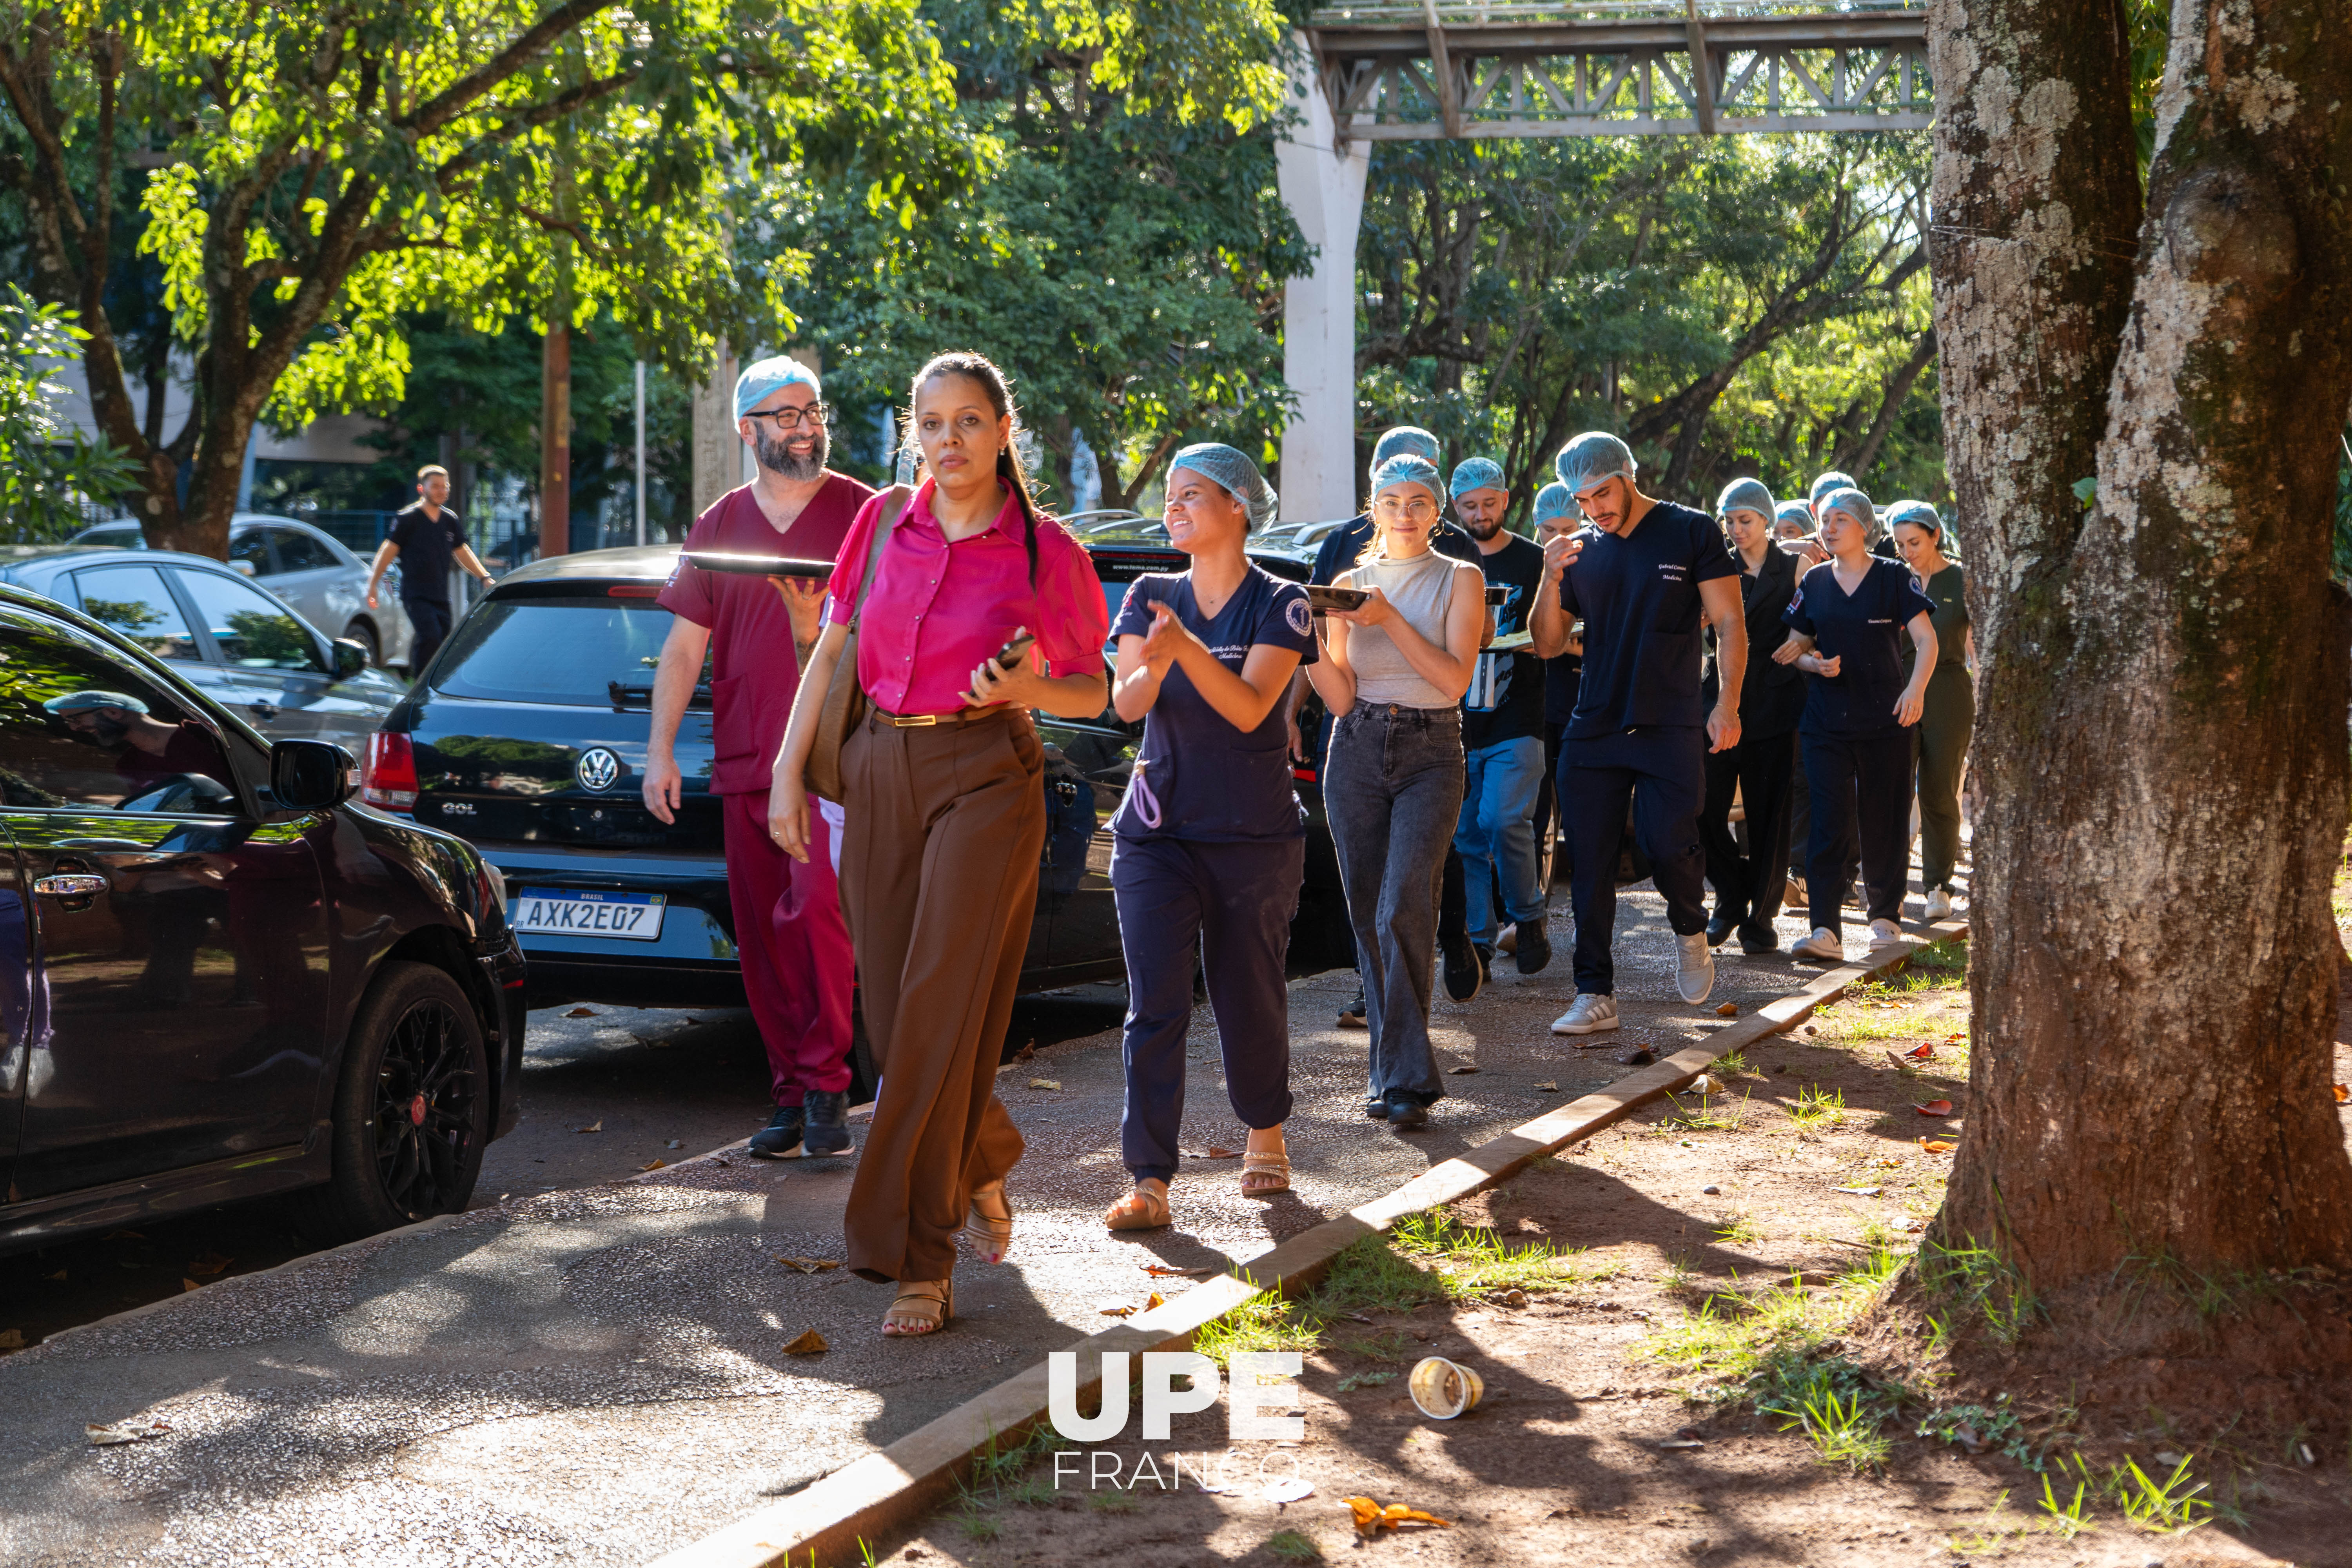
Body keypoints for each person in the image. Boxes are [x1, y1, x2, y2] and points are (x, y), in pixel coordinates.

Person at [768, 351, 1109, 1338]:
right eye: (930, 423)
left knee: (934, 1011)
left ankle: (916, 1255)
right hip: (877, 764)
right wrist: (790, 771)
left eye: (967, 422)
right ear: (911, 433)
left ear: (1004, 431)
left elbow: (1094, 692)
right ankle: (982, 1147)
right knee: (890, 1010)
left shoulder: (1051, 555)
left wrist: (1025, 691)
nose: (946, 441)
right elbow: (831, 650)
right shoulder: (880, 523)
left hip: (987, 778)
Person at [646, 356, 869, 1161]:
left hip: (833, 763)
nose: (806, 426)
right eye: (785, 415)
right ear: (748, 430)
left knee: (816, 915)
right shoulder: (718, 525)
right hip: (744, 758)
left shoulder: (864, 514)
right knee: (763, 937)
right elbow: (682, 651)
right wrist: (661, 750)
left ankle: (826, 1080)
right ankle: (790, 1092)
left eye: (812, 411)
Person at [1098, 445, 1315, 1232]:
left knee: (1245, 993)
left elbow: (1255, 706)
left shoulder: (1281, 602)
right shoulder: (1150, 594)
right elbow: (1127, 704)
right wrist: (1152, 667)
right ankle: (1149, 1177)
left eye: (1192, 494)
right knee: (1154, 1004)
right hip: (1157, 833)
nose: (1174, 508)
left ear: (1238, 508)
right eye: (1169, 496)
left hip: (1253, 837)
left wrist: (1185, 647)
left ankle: (1265, 1125)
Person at [1528, 433, 1746, 1035]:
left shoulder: (1691, 530)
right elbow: (1548, 643)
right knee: (1590, 863)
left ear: (1629, 475)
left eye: (1603, 492)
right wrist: (1549, 578)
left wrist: (1726, 704)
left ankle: (1689, 925)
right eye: (1583, 499)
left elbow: (1729, 622)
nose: (1595, 508)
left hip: (1670, 720)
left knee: (1666, 843)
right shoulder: (1578, 552)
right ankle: (1594, 992)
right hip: (1594, 725)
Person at [1306, 453, 1485, 1127]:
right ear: (1371, 509)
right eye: (1390, 502)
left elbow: (1453, 681)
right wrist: (1311, 646)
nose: (1404, 514)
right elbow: (1341, 693)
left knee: (1405, 903)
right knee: (1367, 915)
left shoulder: (1460, 578)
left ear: (1437, 512)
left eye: (1417, 502)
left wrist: (1388, 621)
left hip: (1431, 749)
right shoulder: (1349, 583)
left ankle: (1406, 1076)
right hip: (1354, 746)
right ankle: (1393, 1075)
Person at [1774, 487, 1938, 962]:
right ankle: (1824, 928)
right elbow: (1797, 645)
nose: (1829, 528)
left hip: (1887, 718)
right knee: (1830, 822)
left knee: (1883, 819)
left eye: (1840, 520)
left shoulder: (1893, 576)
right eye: (1825, 520)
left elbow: (1926, 641)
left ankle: (1885, 919)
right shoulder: (1817, 582)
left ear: (1865, 526)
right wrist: (1812, 664)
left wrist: (1915, 690)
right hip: (1826, 722)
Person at [1443, 457, 1551, 987]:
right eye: (1469, 506)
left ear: (1505, 501)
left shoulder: (1533, 561)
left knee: (1504, 821)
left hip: (1518, 717)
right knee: (1464, 835)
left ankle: (1527, 917)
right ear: (1454, 506)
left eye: (1489, 503)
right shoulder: (1443, 559)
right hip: (1456, 724)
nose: (1480, 514)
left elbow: (1558, 630)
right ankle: (1478, 940)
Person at [1696, 479, 1806, 955]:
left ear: (1767, 519)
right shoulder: (1717, 566)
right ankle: (1730, 894)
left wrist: (1805, 641)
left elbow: (1816, 621)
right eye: (1730, 521)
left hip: (1777, 701)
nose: (1737, 529)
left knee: (1769, 816)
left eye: (1746, 520)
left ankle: (1760, 920)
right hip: (1721, 699)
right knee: (1701, 807)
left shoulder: (1794, 566)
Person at [1888, 500, 1973, 921]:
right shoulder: (1890, 577)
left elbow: (1979, 641)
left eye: (1915, 542)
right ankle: (1891, 889)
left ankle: (1939, 885)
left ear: (1936, 536)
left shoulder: (1961, 577)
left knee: (1940, 791)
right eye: (1900, 543)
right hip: (1897, 690)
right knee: (1893, 792)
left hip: (1948, 691)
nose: (1907, 551)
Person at [365, 465, 495, 673]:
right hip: (415, 596)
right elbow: (387, 551)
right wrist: (372, 585)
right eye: (435, 486)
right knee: (430, 636)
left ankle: (431, 682)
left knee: (441, 641)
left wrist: (484, 577)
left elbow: (462, 552)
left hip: (441, 596)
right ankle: (420, 685)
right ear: (421, 489)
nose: (441, 491)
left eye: (445, 486)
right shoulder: (407, 519)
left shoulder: (450, 520)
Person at [1524, 481, 1581, 893]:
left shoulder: (1596, 565)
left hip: (1583, 708)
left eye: (1569, 528)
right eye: (1549, 530)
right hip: (1534, 709)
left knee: (1583, 815)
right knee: (1533, 813)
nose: (1560, 539)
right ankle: (1526, 909)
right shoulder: (1527, 566)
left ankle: (1586, 905)